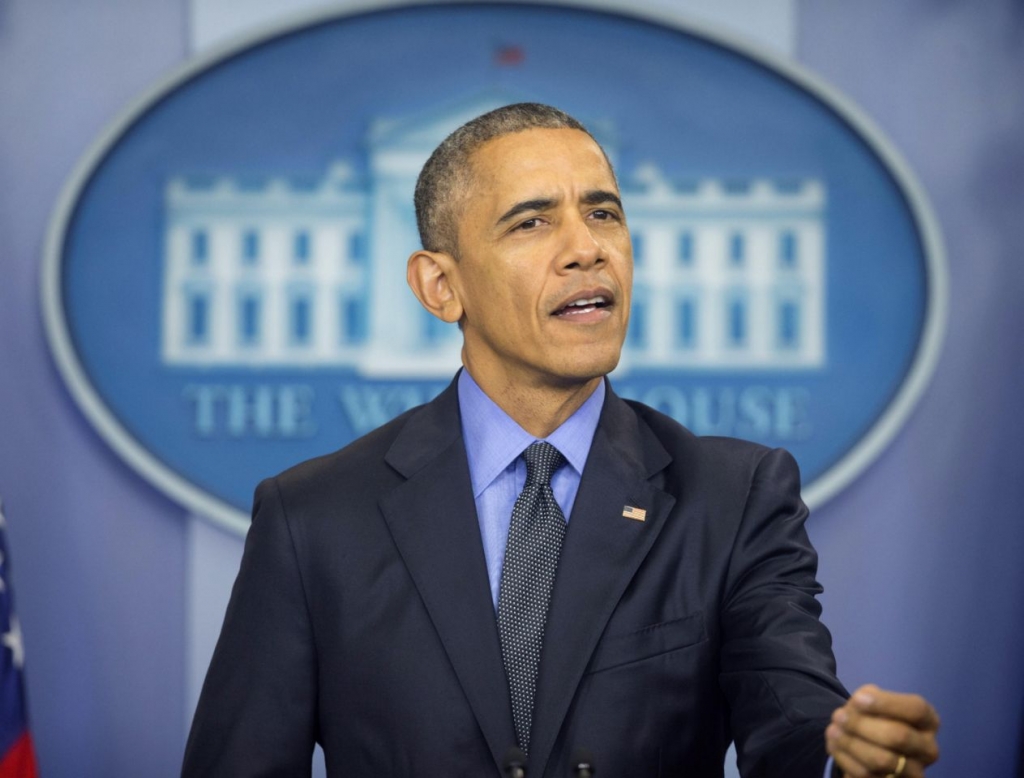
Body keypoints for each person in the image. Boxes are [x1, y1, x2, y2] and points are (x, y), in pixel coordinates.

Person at [182, 103, 940, 777]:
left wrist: (853, 763)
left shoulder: (733, 498)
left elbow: (796, 727)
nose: (588, 249)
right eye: (533, 221)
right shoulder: (314, 517)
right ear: (440, 286)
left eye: (604, 214)